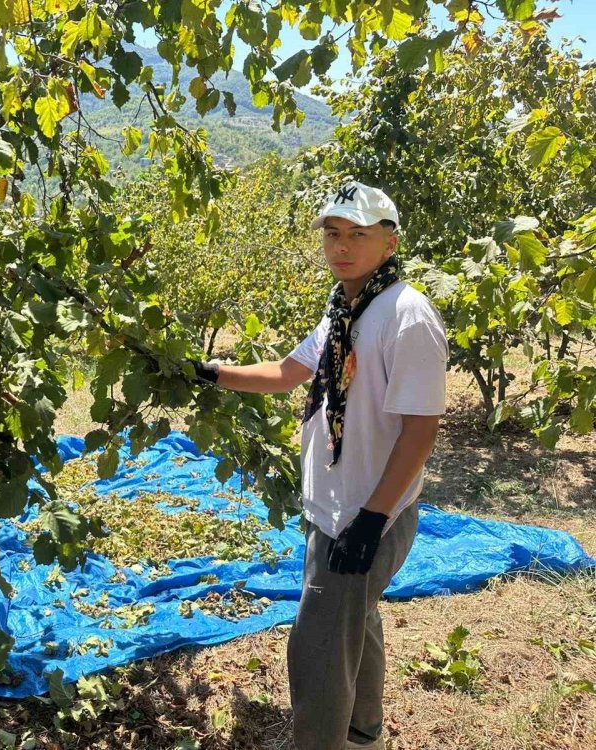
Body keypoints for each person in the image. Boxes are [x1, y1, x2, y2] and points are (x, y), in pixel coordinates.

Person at [191, 182, 447, 750]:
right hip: (335, 506)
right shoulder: (344, 307)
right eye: (333, 233)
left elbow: (420, 430)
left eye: (358, 234)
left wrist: (370, 521)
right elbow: (287, 372)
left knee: (319, 648)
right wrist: (213, 372)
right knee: (358, 624)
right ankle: (363, 731)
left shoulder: (405, 316)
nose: (342, 246)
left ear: (389, 242)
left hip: (364, 513)